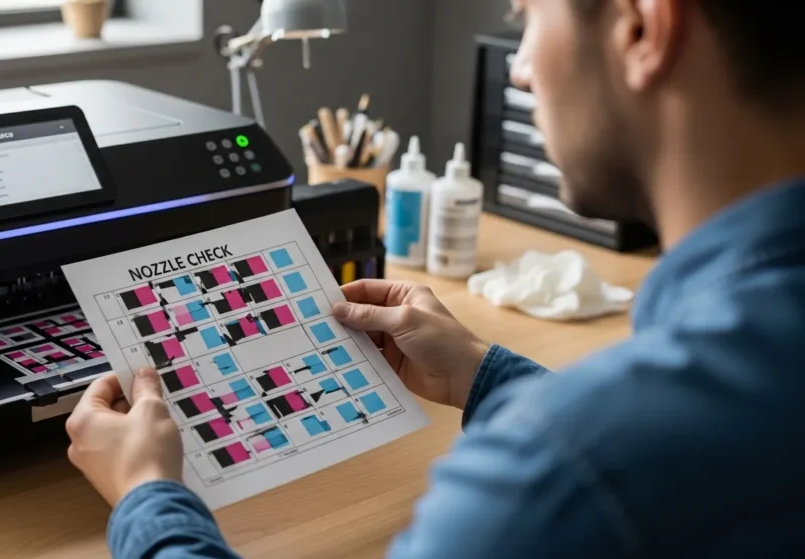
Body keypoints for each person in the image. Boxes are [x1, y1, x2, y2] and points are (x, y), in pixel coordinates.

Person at [65, 0, 805, 556]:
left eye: (527, 16)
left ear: (642, 28)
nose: (517, 67)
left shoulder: (547, 479)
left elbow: (602, 464)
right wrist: (488, 373)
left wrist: (148, 496)